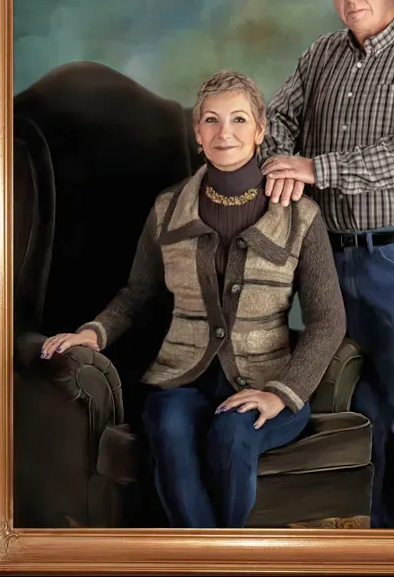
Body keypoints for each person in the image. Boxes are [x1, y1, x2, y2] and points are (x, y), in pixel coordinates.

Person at [40, 70, 346, 529]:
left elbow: (327, 320)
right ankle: (214, 560)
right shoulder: (167, 208)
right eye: (212, 120)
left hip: (267, 378)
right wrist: (92, 332)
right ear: (197, 132)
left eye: (240, 120)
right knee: (168, 429)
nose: (226, 133)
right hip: (178, 380)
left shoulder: (301, 213)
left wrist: (281, 394)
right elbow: (137, 293)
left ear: (261, 130)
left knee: (233, 435)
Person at [259, 0, 394, 529]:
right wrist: (280, 163)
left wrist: (316, 168)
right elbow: (279, 120)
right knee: (351, 410)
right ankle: (364, 545)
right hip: (327, 261)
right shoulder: (320, 54)